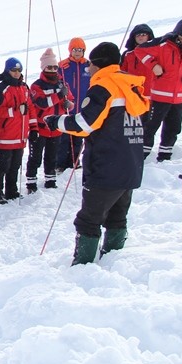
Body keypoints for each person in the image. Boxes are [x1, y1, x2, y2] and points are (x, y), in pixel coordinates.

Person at [45, 42, 149, 265]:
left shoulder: (104, 87)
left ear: (99, 64)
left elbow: (83, 124)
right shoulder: (131, 86)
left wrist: (56, 122)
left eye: (90, 63)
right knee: (117, 217)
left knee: (88, 221)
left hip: (106, 166)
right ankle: (113, 261)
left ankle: (82, 266)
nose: (88, 68)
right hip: (130, 166)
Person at [138, 19, 182, 161]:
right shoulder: (162, 43)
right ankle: (141, 156)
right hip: (160, 97)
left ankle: (165, 156)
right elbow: (140, 50)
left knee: (173, 129)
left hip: (179, 98)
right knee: (150, 128)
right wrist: (153, 65)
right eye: (181, 38)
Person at [27, 48, 73, 192]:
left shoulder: (62, 83)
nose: (52, 70)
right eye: (49, 67)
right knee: (35, 157)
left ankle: (50, 180)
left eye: (54, 67)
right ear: (43, 68)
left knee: (52, 157)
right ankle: (31, 182)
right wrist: (59, 96)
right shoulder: (37, 85)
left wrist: (69, 105)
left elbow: (70, 100)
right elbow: (41, 103)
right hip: (40, 128)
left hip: (56, 127)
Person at [0, 58, 34, 204]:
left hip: (20, 136)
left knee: (15, 166)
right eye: (13, 70)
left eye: (18, 71)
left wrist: (33, 128)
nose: (16, 73)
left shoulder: (25, 88)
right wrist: (14, 111)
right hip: (5, 136)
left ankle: (11, 191)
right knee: (2, 166)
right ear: (7, 70)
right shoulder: (0, 89)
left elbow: (30, 109)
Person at [57, 38, 89, 171]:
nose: (77, 52)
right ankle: (60, 164)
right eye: (75, 50)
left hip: (82, 107)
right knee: (64, 137)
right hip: (67, 107)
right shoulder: (63, 66)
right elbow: (56, 82)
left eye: (80, 50)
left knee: (78, 137)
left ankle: (75, 161)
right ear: (70, 50)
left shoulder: (89, 66)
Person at [120, 24, 156, 99]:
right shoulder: (128, 54)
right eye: (138, 35)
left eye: (143, 34)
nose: (140, 37)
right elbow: (121, 72)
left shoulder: (156, 52)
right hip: (133, 95)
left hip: (152, 94)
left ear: (148, 36)